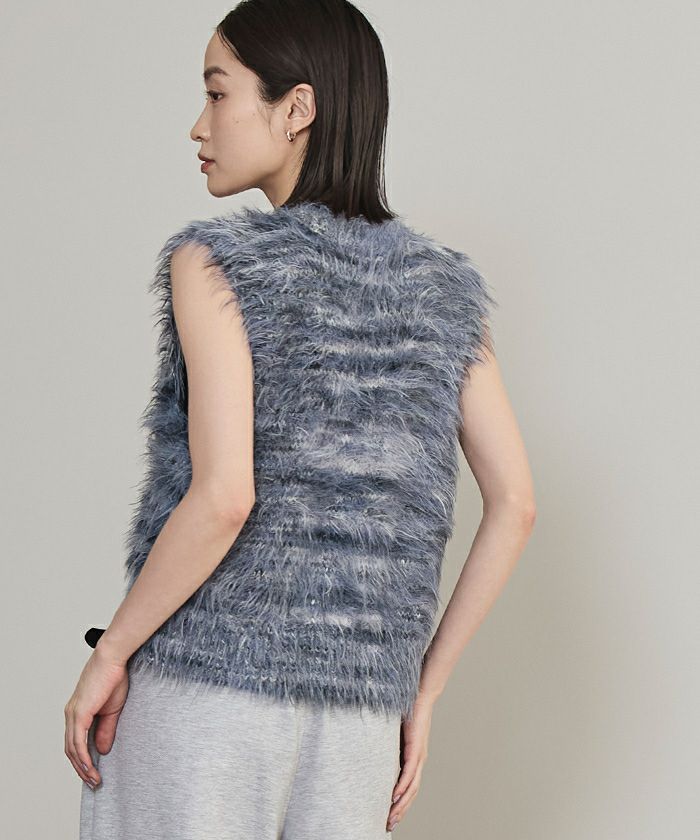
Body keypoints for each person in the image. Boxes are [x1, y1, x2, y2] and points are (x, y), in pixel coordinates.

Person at [65, 1, 536, 837]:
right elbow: (516, 505)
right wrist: (421, 692)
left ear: (297, 108)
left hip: (207, 692)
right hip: (358, 725)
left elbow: (224, 498)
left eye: (218, 93)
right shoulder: (447, 293)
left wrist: (111, 652)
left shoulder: (218, 262)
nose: (199, 124)